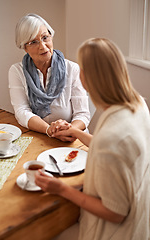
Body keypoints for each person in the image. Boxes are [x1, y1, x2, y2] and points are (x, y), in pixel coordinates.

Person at [35, 38, 150, 239]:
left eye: (81, 69)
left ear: (87, 79)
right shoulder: (138, 104)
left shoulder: (110, 139)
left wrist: (61, 188)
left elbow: (115, 213)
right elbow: (117, 148)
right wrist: (77, 133)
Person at [8, 13, 90, 142]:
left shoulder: (72, 68)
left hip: (74, 138)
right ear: (25, 48)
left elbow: (82, 114)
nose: (43, 46)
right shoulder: (17, 71)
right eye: (34, 42)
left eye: (45, 37)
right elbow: (21, 111)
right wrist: (49, 130)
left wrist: (69, 131)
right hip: (39, 137)